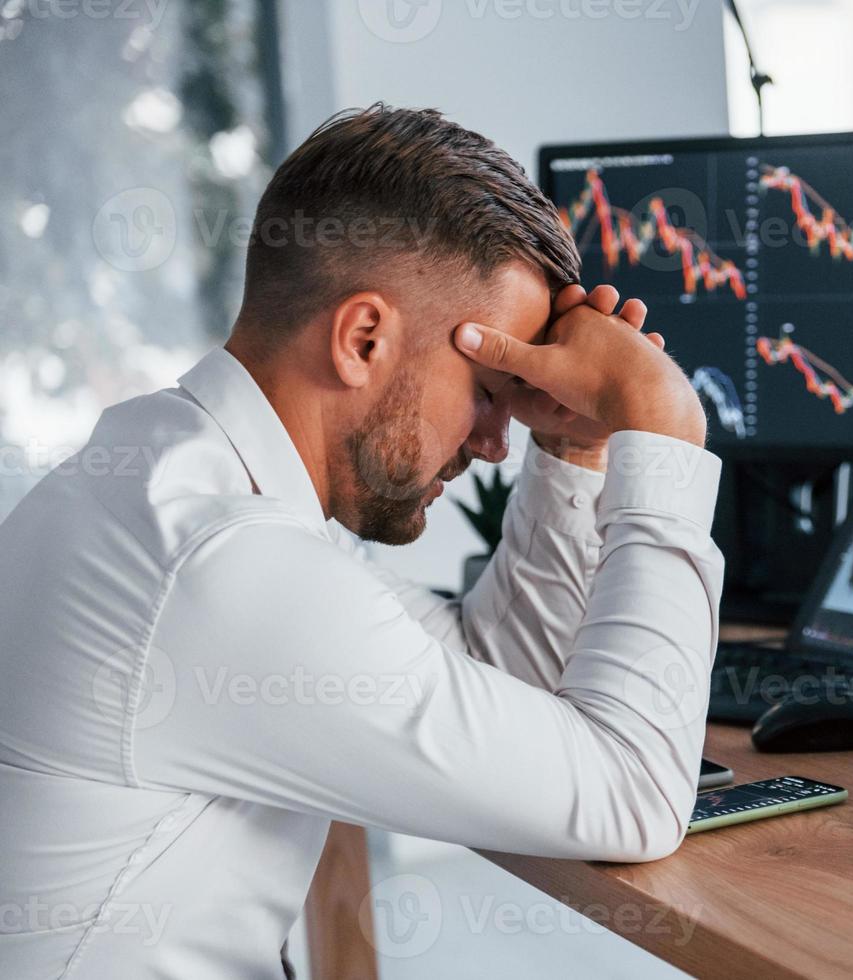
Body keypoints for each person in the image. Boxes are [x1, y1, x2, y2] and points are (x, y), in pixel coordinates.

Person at [0, 105, 722, 978]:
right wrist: (667, 434)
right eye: (492, 390)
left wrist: (576, 449)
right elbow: (632, 795)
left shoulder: (169, 477)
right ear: (363, 338)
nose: (499, 440)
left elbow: (497, 677)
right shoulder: (222, 563)